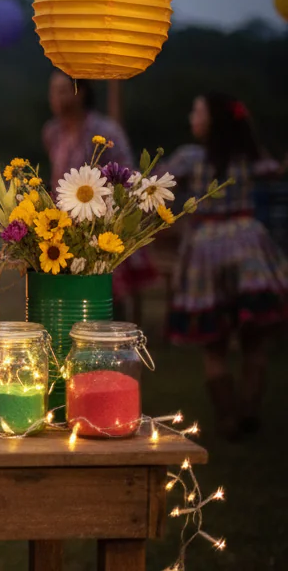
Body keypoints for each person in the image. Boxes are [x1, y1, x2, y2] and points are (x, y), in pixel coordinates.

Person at [167, 93, 287, 440]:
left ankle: (228, 419)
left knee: (214, 344)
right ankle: (249, 410)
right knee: (255, 342)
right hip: (249, 249)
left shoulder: (191, 158)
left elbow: (157, 179)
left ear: (213, 120)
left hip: (205, 253)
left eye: (197, 110)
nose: (193, 116)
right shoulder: (249, 157)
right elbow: (275, 170)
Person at [42, 72, 158, 321]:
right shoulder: (52, 132)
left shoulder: (104, 131)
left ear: (80, 91)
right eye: (53, 91)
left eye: (62, 90)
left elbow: (127, 176)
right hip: (64, 226)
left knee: (107, 295)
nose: (56, 98)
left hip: (103, 224)